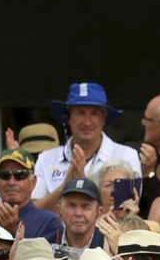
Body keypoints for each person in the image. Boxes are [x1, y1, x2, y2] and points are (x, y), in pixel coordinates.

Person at [32, 82, 141, 212]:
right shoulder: (46, 158)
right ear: (68, 117)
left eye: (94, 114)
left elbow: (126, 208)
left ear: (104, 118)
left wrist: (83, 186)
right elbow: (34, 213)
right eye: (81, 113)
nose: (87, 122)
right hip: (55, 233)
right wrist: (66, 187)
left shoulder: (127, 156)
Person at [0, 147, 60, 241]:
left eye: (20, 175)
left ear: (32, 182)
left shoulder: (49, 223)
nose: (11, 182)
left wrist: (12, 232)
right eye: (5, 175)